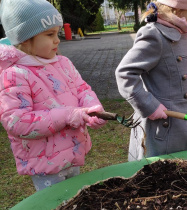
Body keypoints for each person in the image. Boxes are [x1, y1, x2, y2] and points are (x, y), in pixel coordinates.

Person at [0, 0, 107, 191]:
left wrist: (93, 108)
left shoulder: (63, 63)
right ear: (24, 38)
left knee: (75, 197)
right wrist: (67, 115)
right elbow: (16, 121)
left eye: (57, 33)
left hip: (73, 150)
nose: (57, 40)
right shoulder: (14, 75)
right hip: (45, 163)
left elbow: (82, 89)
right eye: (49, 35)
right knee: (56, 202)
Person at [115, 0, 187, 161]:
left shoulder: (184, 33)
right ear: (178, 9)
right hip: (164, 133)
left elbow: (181, 75)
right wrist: (150, 106)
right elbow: (125, 73)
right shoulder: (155, 35)